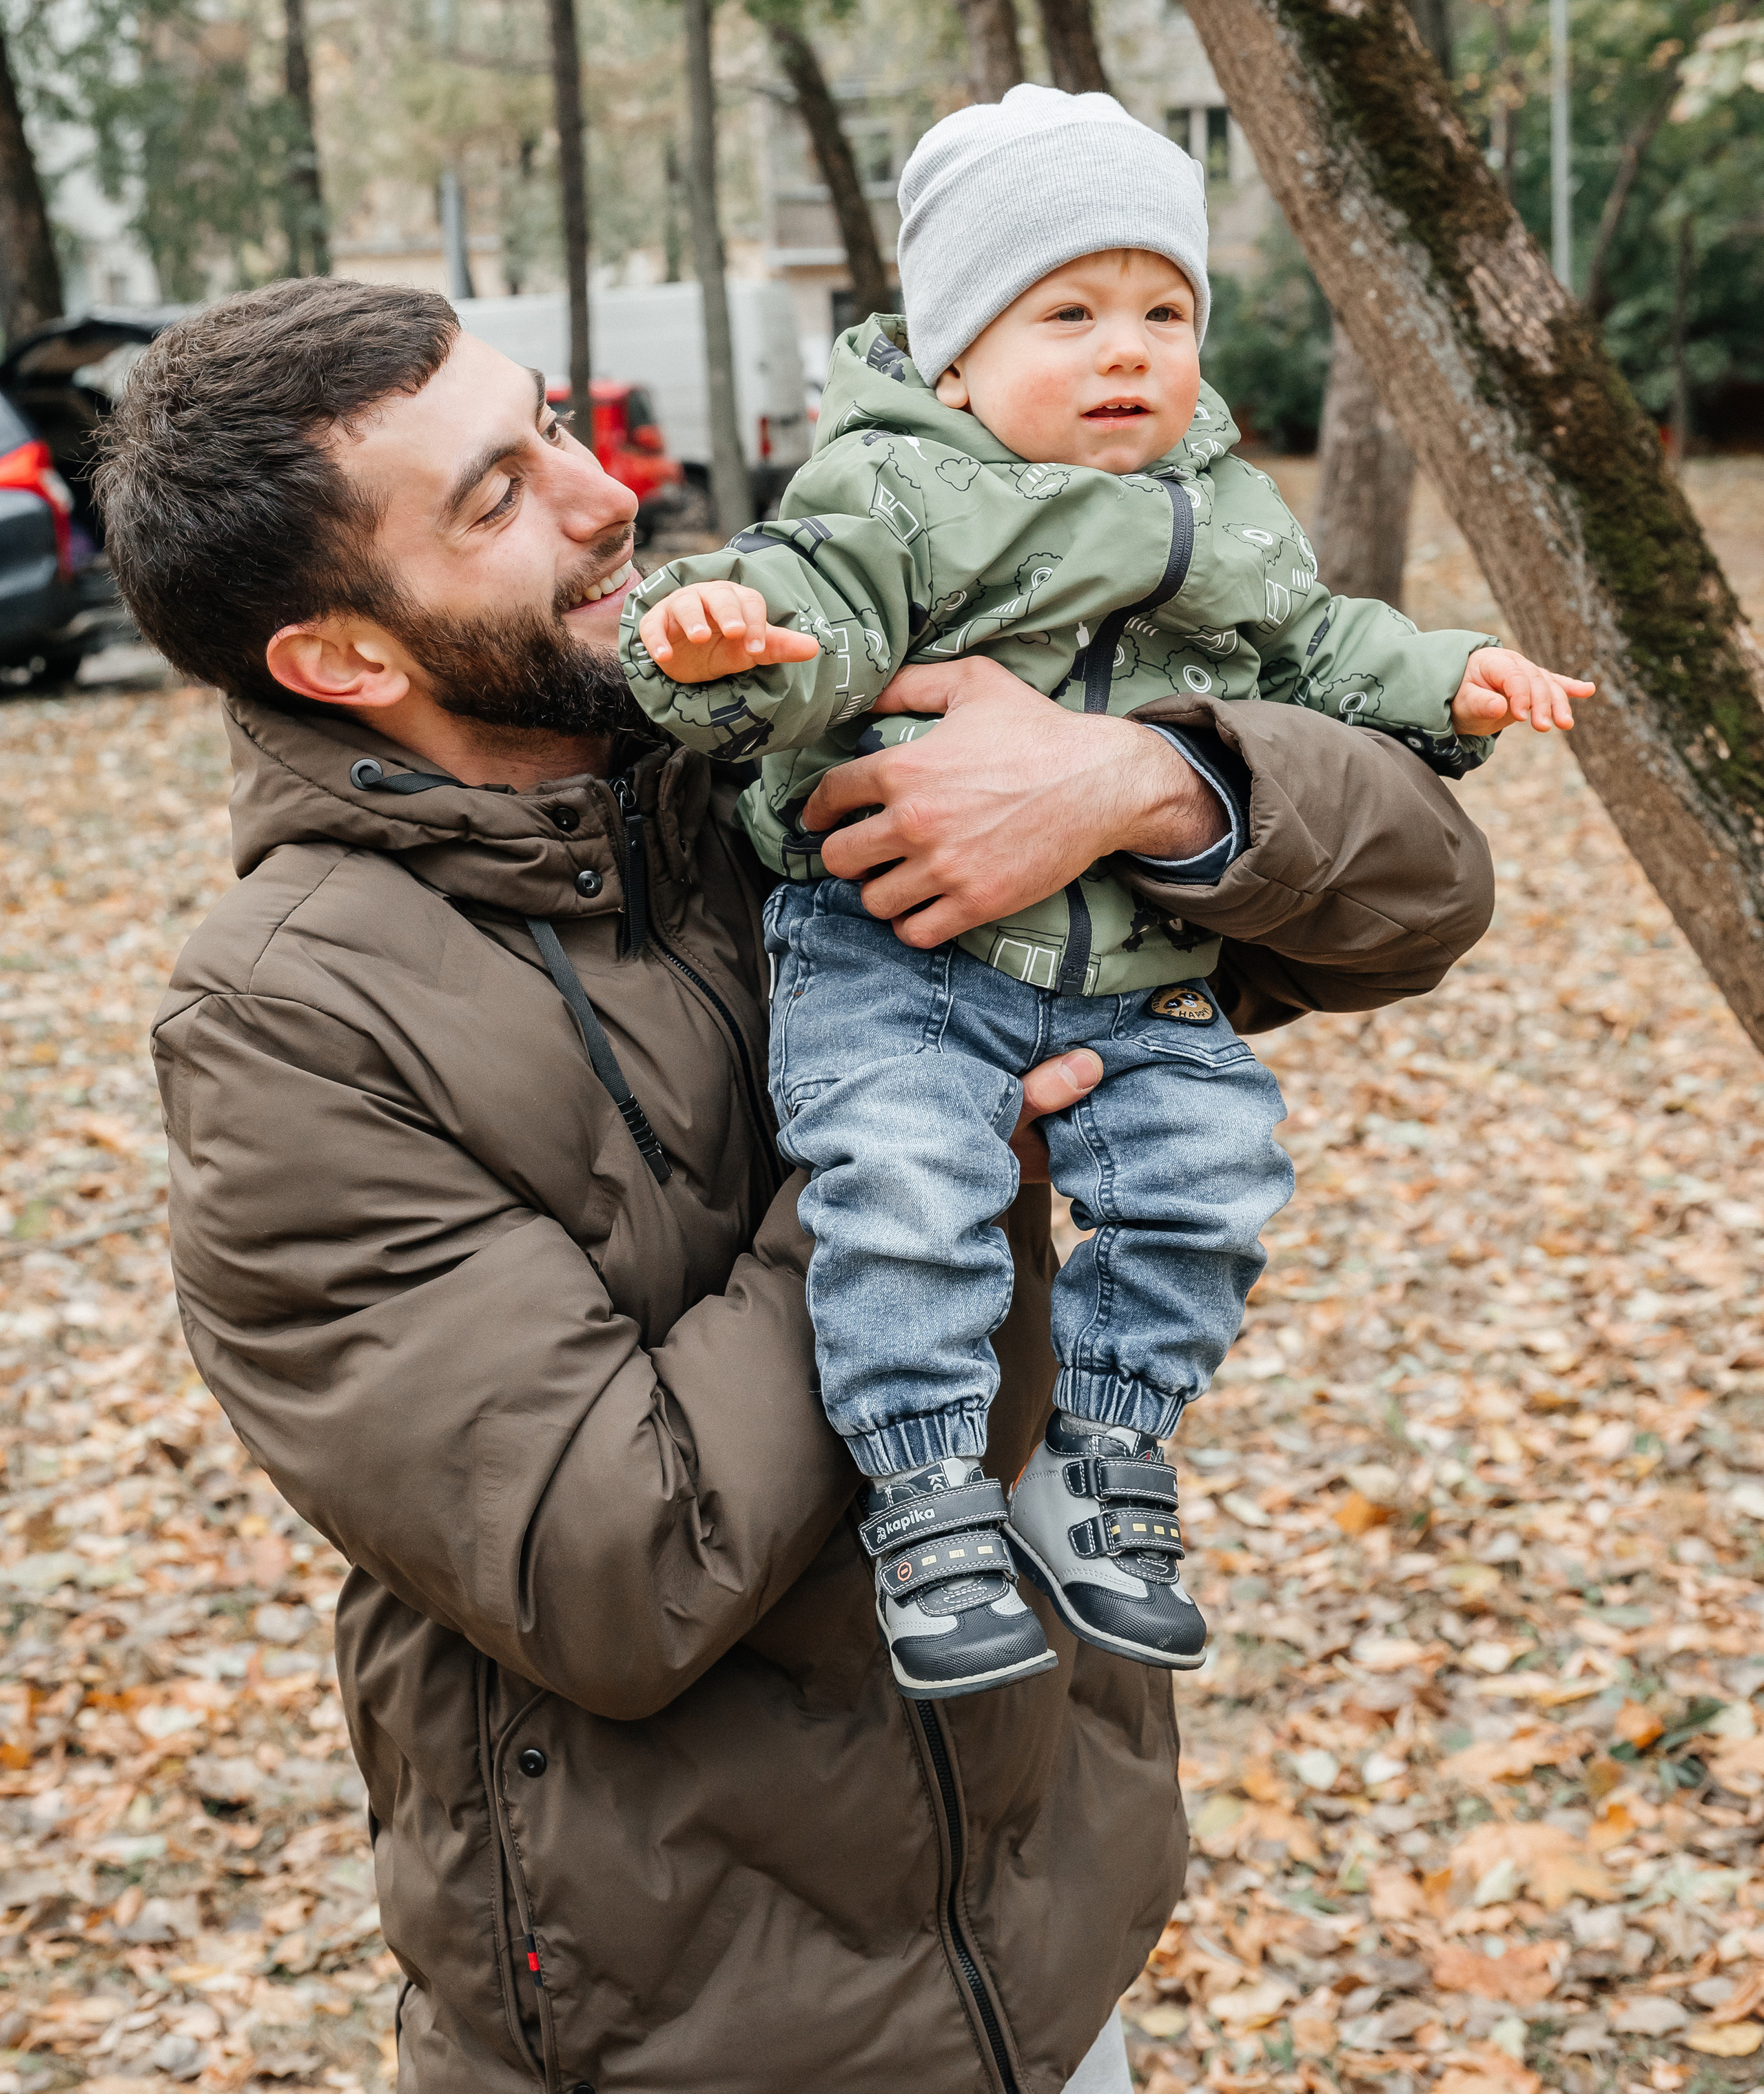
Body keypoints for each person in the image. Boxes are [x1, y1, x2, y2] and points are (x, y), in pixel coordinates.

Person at [98, 276, 1495, 2094]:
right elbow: (623, 1569)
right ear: (348, 657)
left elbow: (1422, 898)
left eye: (555, 428)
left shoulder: (770, 748)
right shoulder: (289, 1022)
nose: (606, 500)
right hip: (693, 2026)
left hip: (1043, 1942)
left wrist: (1145, 787)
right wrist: (933, 1133)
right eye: (495, 497)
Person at [626, 86, 1591, 1703]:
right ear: (953, 355)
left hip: (1134, 962)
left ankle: (1101, 1459)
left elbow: (1316, 652)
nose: (1125, 350)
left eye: (1161, 311)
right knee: (909, 1182)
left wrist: (1449, 678)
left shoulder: (1223, 515)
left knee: (1210, 1176)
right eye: (1065, 311)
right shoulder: (895, 489)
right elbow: (821, 614)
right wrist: (720, 631)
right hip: (899, 950)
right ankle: (928, 1491)